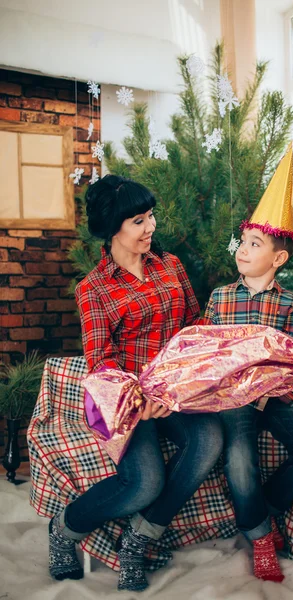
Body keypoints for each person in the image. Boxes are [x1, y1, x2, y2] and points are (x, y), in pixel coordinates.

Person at [48, 175, 223, 592]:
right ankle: (64, 529)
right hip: (127, 401)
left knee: (210, 438)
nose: (150, 228)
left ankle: (140, 538)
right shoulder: (93, 289)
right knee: (144, 482)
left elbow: (191, 324)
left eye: (151, 217)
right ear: (113, 228)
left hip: (176, 390)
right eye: (139, 221)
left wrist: (208, 352)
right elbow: (101, 362)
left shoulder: (171, 266)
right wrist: (141, 400)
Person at [203, 143, 293, 583]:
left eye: (254, 244)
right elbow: (206, 348)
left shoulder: (290, 304)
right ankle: (260, 539)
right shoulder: (221, 297)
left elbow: (291, 358)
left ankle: (264, 512)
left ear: (278, 258)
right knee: (238, 458)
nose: (242, 248)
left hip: (276, 396)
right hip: (234, 398)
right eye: (242, 241)